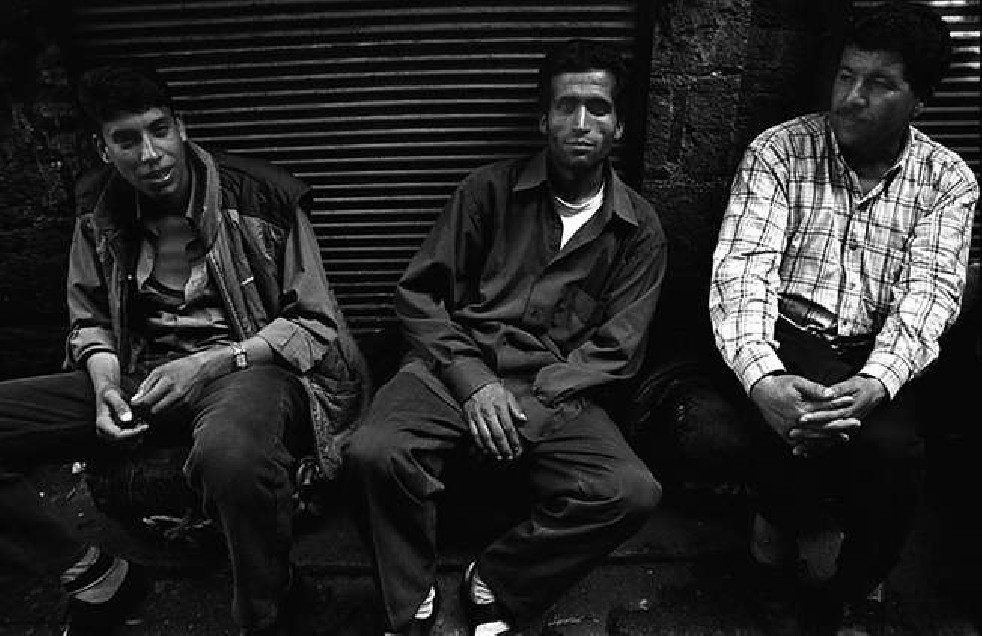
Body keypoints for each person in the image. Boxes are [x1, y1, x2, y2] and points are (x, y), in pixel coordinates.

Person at [0, 65, 369, 635]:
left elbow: (314, 324)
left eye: (159, 130)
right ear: (102, 149)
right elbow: (89, 318)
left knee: (230, 457)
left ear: (182, 127)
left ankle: (269, 611)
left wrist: (211, 363)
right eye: (127, 140)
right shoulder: (98, 209)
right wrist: (105, 385)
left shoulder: (264, 196)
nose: (150, 154)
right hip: (141, 375)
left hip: (247, 368)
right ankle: (93, 575)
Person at [345, 38, 667, 635]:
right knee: (373, 451)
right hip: (452, 368)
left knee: (630, 491)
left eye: (598, 108)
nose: (581, 123)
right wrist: (474, 384)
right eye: (566, 107)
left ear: (619, 126)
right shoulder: (486, 192)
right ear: (543, 120)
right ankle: (411, 601)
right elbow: (418, 296)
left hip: (555, 389)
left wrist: (528, 404)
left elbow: (618, 349)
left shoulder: (638, 229)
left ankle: (496, 579)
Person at [709, 1, 979, 631]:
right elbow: (742, 272)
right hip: (789, 334)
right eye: (846, 76)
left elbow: (930, 294)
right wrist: (764, 378)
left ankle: (857, 589)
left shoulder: (949, 181)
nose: (852, 98)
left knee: (895, 453)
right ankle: (769, 561)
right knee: (791, 422)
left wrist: (878, 381)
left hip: (878, 349)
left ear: (920, 101)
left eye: (879, 84)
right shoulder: (779, 152)